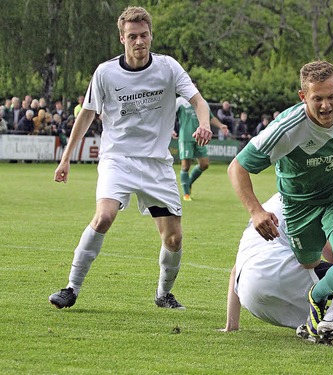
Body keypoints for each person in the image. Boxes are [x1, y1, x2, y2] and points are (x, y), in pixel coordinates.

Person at [48, 6, 213, 310]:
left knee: (174, 239)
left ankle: (163, 294)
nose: (139, 41)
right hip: (118, 160)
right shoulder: (106, 73)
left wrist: (204, 123)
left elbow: (198, 100)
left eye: (144, 35)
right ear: (122, 38)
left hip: (156, 164)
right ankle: (71, 287)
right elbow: (86, 115)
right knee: (104, 217)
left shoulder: (168, 68)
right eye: (133, 36)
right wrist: (66, 157)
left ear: (151, 35)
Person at [227, 60, 333, 338]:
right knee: (308, 263)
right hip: (298, 207)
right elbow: (238, 167)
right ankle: (325, 312)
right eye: (318, 98)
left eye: (332, 97)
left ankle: (318, 299)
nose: (327, 106)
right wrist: (256, 211)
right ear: (303, 97)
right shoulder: (285, 129)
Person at [224, 193, 333, 346]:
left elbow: (235, 270)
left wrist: (231, 326)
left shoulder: (269, 206)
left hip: (250, 297)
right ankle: (332, 319)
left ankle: (316, 327)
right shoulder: (309, 199)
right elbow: (331, 255)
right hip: (278, 270)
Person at [174, 82, 228, 201]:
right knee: (185, 166)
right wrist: (170, 130)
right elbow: (169, 115)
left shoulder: (201, 102)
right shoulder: (180, 102)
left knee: (204, 164)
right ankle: (186, 194)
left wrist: (221, 126)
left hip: (200, 136)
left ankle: (188, 183)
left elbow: (210, 117)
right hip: (186, 137)